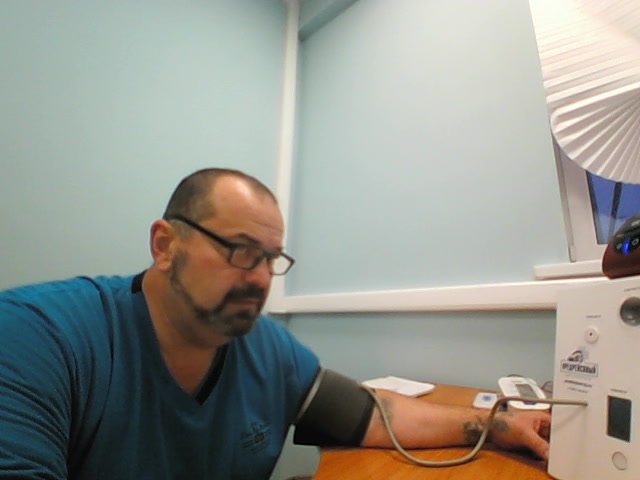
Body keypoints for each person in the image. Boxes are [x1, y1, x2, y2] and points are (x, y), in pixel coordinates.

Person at [0, 168, 551, 479]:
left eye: (271, 259)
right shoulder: (38, 338)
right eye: (241, 251)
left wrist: (496, 424)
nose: (262, 279)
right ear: (165, 245)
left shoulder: (266, 349)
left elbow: (372, 417)